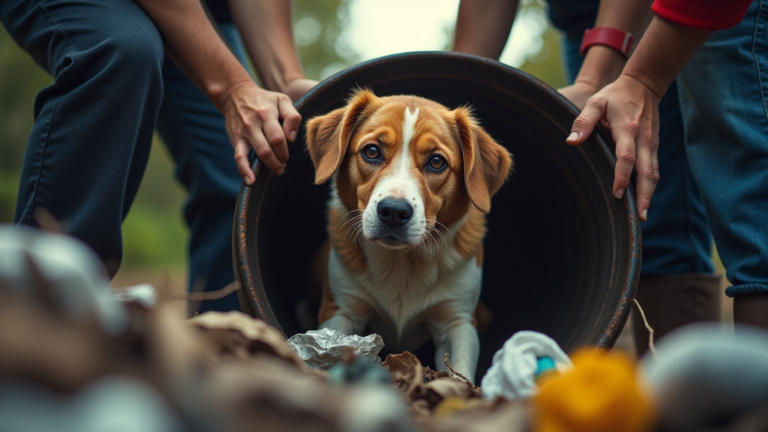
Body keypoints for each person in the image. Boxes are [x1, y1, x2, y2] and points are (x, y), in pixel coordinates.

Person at [1, 0, 314, 313]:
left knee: (247, 164)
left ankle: (221, 333)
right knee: (120, 48)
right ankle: (40, 314)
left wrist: (284, 78)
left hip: (201, 13)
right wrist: (234, 88)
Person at [454, 0, 719, 353]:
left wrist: (597, 78)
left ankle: (696, 393)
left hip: (700, 14)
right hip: (584, 19)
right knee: (627, 208)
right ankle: (667, 390)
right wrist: (455, 94)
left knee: (663, 205)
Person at [566, 0, 767, 330]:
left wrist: (641, 79)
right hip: (593, 15)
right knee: (648, 224)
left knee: (753, 215)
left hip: (720, 11)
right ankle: (680, 379)